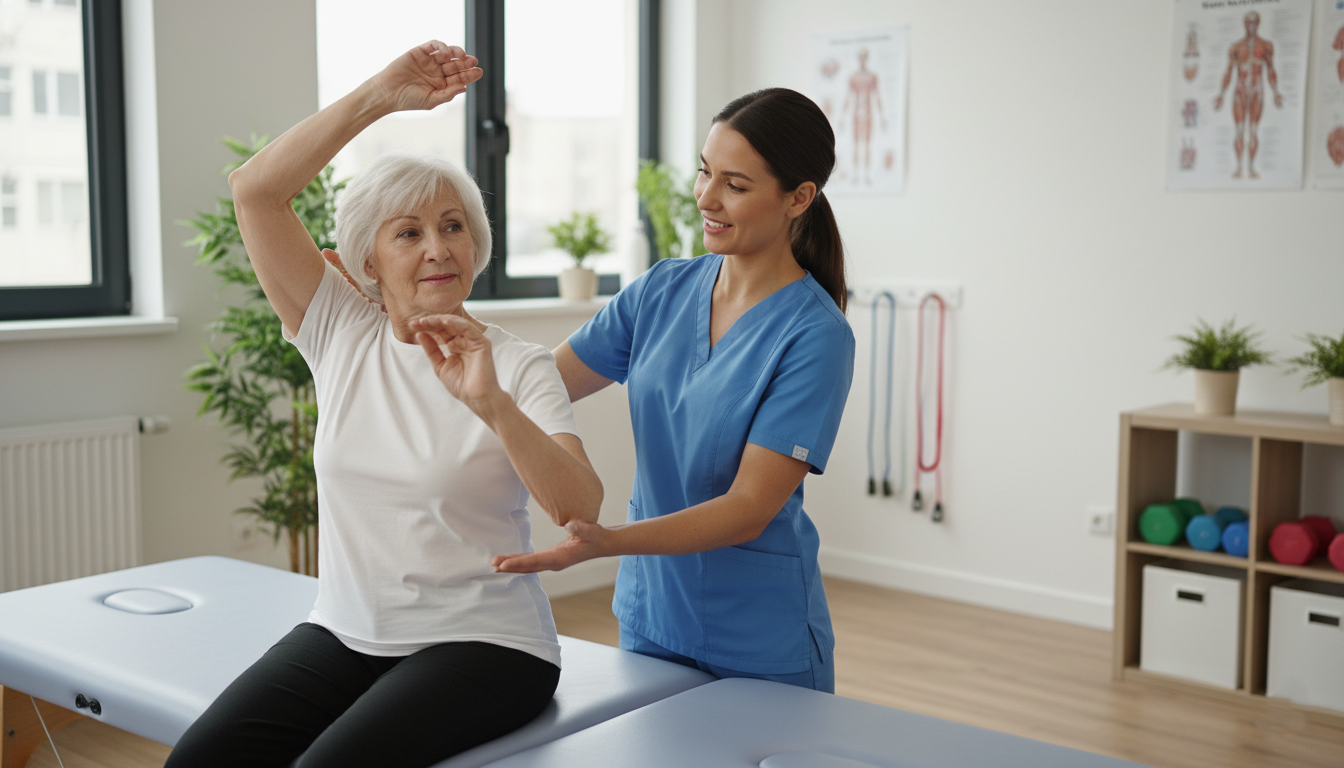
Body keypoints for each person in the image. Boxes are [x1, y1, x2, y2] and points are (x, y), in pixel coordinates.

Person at [164, 42, 603, 768]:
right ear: (368, 262)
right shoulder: (339, 329)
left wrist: (492, 404)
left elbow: (579, 504)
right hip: (345, 631)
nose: (438, 247)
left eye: (453, 226)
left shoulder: (518, 366)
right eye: (409, 232)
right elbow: (255, 192)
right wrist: (378, 97)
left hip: (487, 643)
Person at [492, 88, 856, 694]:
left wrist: (608, 543)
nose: (707, 199)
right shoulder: (661, 290)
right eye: (704, 172)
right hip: (652, 615)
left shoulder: (815, 336)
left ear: (799, 197)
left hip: (759, 637)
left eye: (736, 186)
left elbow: (749, 508)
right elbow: (540, 383)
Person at [1213, 11, 1284, 180]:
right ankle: (1238, 167)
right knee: (1238, 131)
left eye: (1254, 23)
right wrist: (1221, 94)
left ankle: (1251, 167)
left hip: (1257, 92)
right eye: (1248, 23)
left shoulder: (1266, 46)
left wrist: (1276, 92)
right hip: (1240, 91)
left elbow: (1271, 70)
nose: (1251, 26)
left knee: (1253, 131)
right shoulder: (1237, 47)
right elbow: (1228, 71)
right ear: (1245, 24)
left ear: (1258, 24)